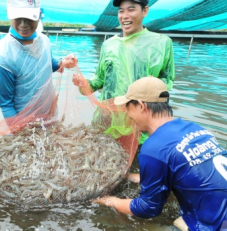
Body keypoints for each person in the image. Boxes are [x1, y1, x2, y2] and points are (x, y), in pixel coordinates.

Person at [93, 77, 227, 231]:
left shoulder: (153, 147)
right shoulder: (196, 129)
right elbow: (186, 168)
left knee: (178, 221)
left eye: (128, 106)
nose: (127, 113)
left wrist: (112, 201)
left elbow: (147, 208)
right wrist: (133, 177)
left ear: (141, 106)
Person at [72, 0, 174, 145]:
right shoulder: (108, 45)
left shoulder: (162, 43)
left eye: (131, 9)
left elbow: (167, 81)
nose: (125, 16)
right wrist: (84, 83)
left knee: (140, 163)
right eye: (121, 11)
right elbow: (99, 80)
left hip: (141, 125)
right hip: (108, 121)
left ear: (145, 11)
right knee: (103, 162)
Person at [0, 0, 77, 127]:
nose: (24, 24)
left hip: (50, 116)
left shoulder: (44, 40)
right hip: (26, 125)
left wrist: (61, 62)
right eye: (18, 17)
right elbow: (5, 104)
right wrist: (19, 132)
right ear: (8, 13)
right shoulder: (2, 57)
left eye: (29, 18)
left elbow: (46, 62)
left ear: (39, 14)